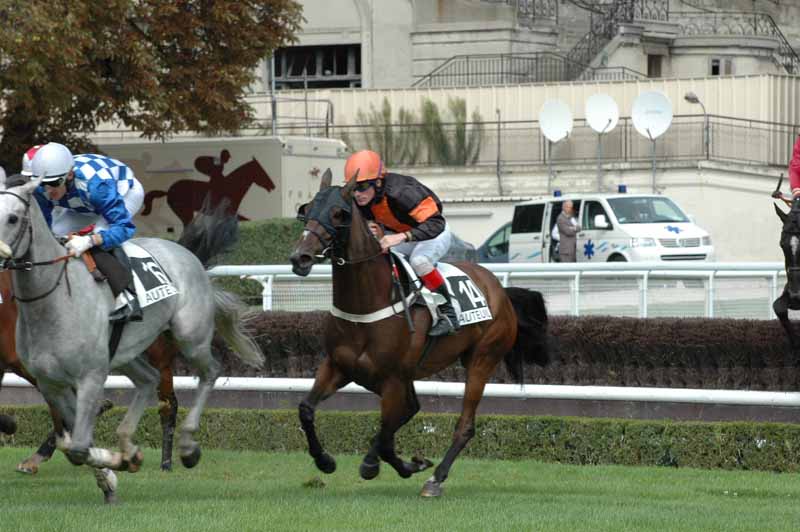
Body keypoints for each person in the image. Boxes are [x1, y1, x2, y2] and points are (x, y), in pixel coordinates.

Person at [344, 150, 458, 336]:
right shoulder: (363, 200)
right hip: (403, 234)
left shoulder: (403, 191)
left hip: (433, 233)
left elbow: (436, 223)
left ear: (378, 182)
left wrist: (401, 237)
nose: (357, 194)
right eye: (353, 188)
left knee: (419, 261)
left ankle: (449, 312)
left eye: (362, 186)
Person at [30, 142, 145, 323]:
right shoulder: (42, 188)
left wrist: (90, 241)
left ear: (69, 174)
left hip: (124, 192)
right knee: (54, 232)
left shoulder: (97, 186)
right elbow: (45, 228)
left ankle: (128, 297)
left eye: (53, 183)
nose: (48, 190)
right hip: (82, 202)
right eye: (42, 184)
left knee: (101, 232)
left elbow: (124, 228)